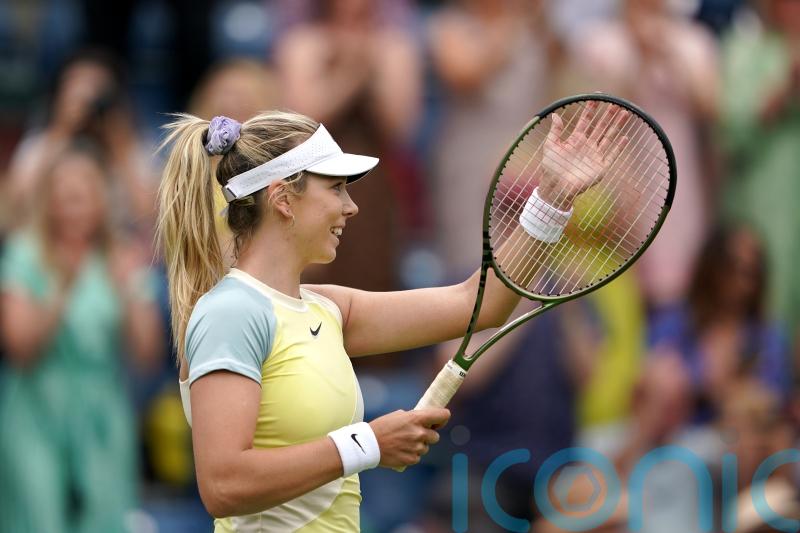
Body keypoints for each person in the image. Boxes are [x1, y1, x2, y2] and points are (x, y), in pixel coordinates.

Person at [156, 106, 625, 531]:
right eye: (335, 187)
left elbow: (478, 304)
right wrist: (368, 444)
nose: (351, 206)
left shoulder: (326, 308)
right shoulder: (232, 312)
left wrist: (553, 198)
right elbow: (224, 485)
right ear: (283, 198)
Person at [0, 141, 164, 533]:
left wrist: (129, 292)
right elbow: (19, 348)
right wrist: (60, 288)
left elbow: (147, 355)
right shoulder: (25, 255)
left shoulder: (121, 256)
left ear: (102, 201)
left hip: (102, 417)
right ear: (48, 202)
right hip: (36, 415)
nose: (73, 209)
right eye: (64, 198)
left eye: (82, 197)